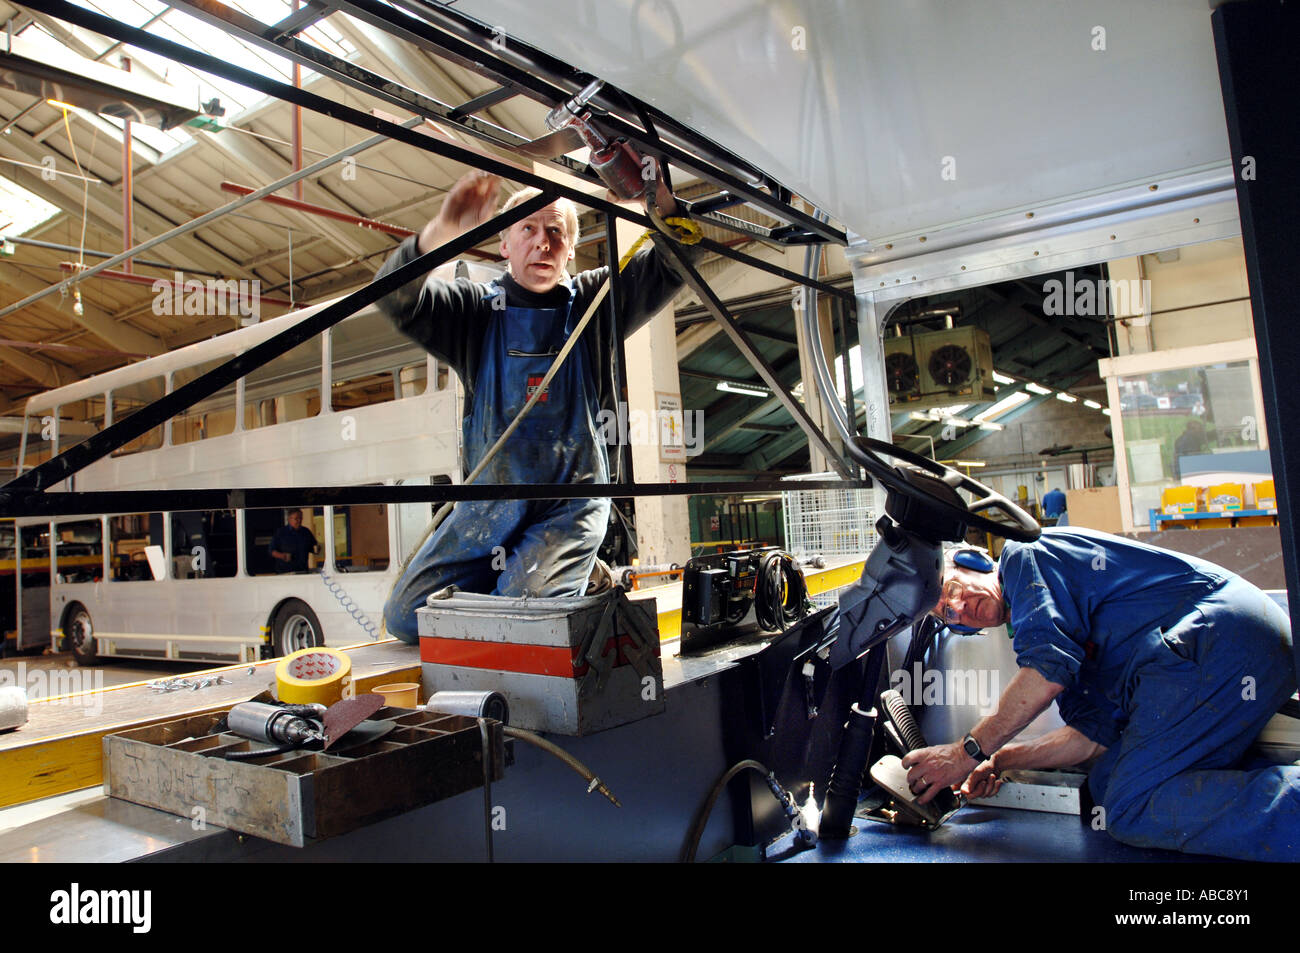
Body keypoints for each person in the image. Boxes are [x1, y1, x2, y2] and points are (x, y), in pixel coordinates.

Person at [375, 169, 691, 643]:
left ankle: (552, 575)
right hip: (490, 505)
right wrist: (442, 231)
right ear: (504, 244)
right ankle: (575, 578)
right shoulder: (475, 312)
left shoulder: (595, 300)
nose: (543, 242)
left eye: (555, 232)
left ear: (569, 249)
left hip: (571, 502)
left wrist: (658, 202)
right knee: (407, 619)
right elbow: (395, 297)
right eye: (528, 228)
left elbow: (676, 260)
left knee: (524, 616)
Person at [901, 527, 1298, 861]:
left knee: (1128, 807)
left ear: (974, 561)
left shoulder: (1026, 557)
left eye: (951, 587)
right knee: (1107, 784)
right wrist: (997, 761)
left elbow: (1045, 671)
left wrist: (964, 752)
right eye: (946, 614)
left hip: (1220, 637)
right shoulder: (1052, 629)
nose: (957, 605)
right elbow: (1091, 739)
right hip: (1217, 658)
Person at [269, 508, 319, 574]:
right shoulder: (281, 533)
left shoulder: (306, 532)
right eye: (296, 518)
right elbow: (271, 551)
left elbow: (313, 547)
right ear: (289, 519)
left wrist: (317, 549)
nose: (299, 521)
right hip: (286, 572)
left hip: (303, 571)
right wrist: (282, 556)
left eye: (301, 518)